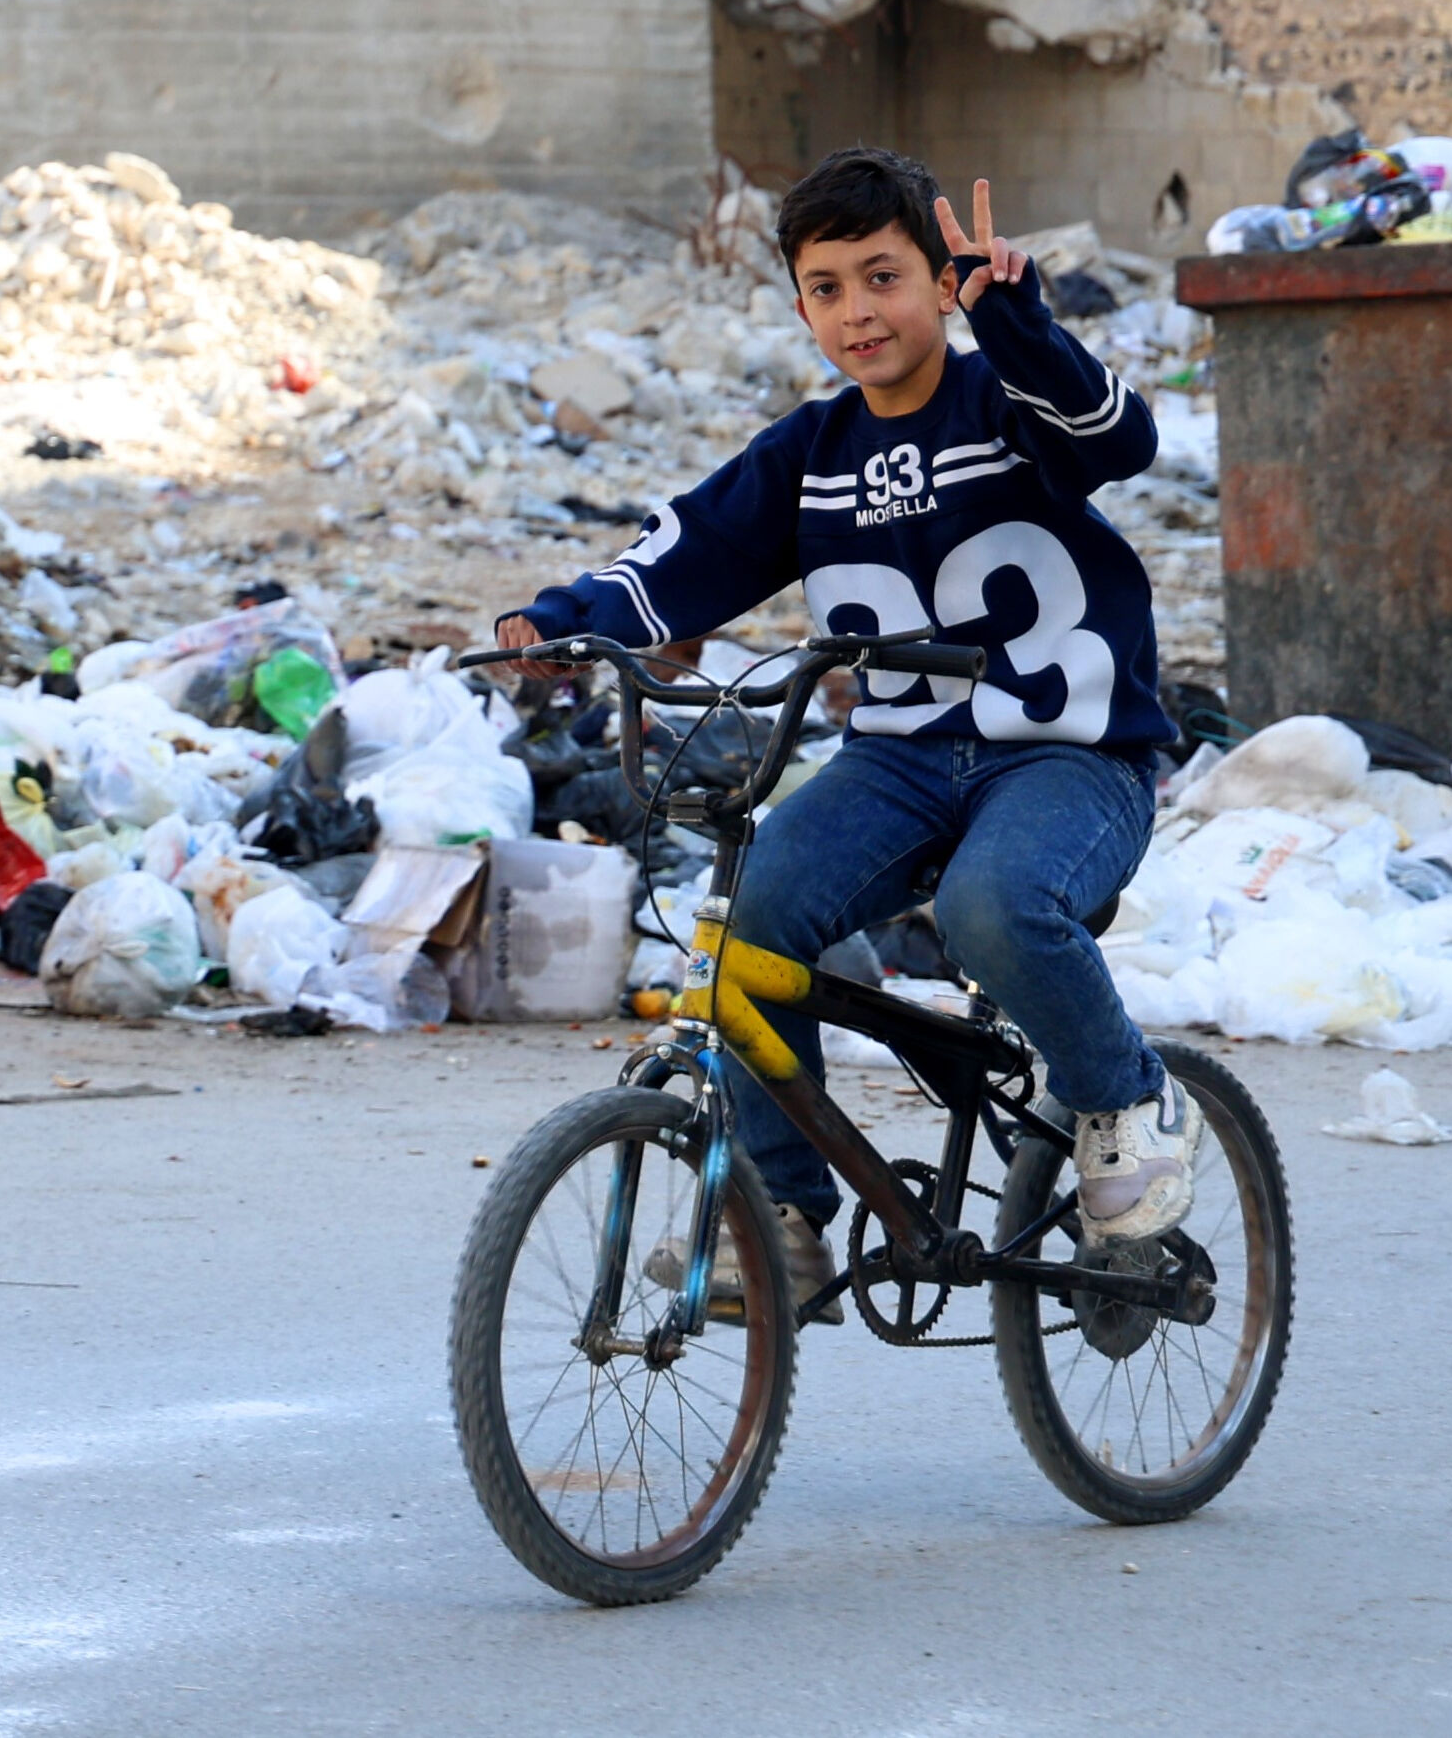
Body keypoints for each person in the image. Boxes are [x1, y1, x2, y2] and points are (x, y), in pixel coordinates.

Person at [491, 145, 1189, 1304]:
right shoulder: (813, 454)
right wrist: (561, 624)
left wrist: (1006, 315)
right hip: (902, 766)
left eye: (884, 277)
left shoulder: (1009, 399)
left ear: (936, 281)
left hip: (1074, 758)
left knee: (989, 906)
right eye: (827, 287)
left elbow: (1116, 439)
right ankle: (781, 1214)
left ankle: (1123, 1092)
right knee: (748, 918)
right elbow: (688, 550)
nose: (858, 311)